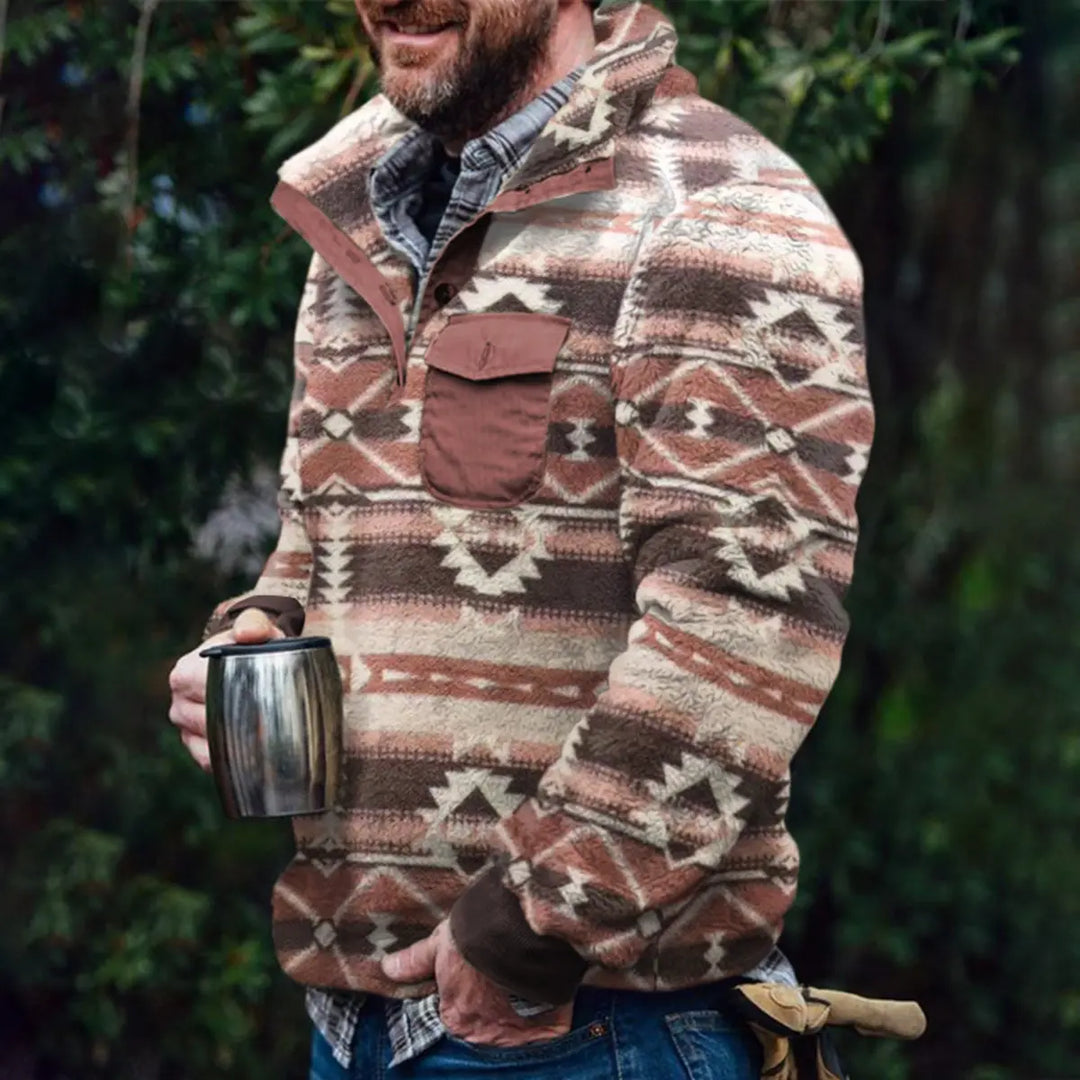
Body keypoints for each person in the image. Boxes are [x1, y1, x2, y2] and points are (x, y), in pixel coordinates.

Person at [168, 0, 876, 1076]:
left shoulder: (717, 211)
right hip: (352, 1019)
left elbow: (749, 623)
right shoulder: (358, 209)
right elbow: (322, 534)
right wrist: (259, 630)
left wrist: (529, 932)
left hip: (588, 1026)